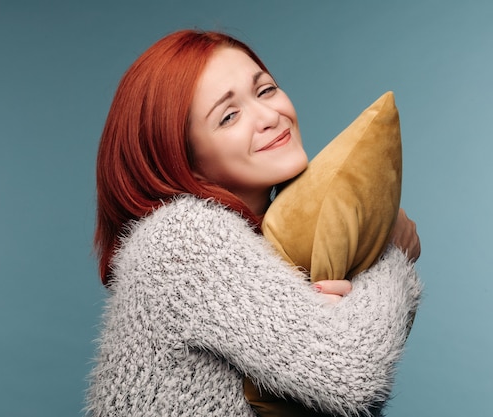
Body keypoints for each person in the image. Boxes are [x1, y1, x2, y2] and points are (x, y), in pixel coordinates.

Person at [86, 29, 421, 417]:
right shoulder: (181, 237)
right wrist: (392, 255)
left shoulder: (273, 236)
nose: (269, 117)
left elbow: (353, 389)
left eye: (265, 90)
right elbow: (352, 374)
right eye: (228, 116)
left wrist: (352, 305)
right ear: (178, 154)